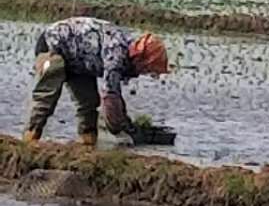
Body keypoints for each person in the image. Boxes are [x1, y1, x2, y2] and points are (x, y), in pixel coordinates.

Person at [25, 17, 169, 147]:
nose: (144, 73)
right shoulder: (116, 54)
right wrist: (125, 129)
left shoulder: (127, 50)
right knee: (47, 95)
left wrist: (125, 123)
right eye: (147, 69)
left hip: (78, 60)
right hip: (52, 47)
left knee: (89, 102)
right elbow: (111, 97)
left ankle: (88, 143)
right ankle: (30, 139)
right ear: (143, 59)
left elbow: (114, 97)